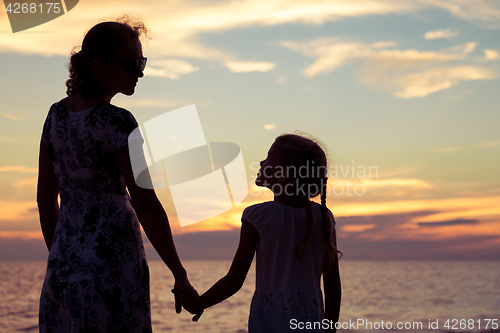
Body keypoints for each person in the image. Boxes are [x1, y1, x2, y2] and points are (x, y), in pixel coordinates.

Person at [37, 17, 198, 332]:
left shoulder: (55, 116)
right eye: (132, 63)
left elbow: (46, 199)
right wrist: (179, 274)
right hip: (113, 269)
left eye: (143, 62)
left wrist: (62, 259)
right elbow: (147, 206)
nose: (139, 72)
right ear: (99, 66)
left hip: (63, 268)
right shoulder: (120, 123)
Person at [174, 133, 342, 332]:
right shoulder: (323, 217)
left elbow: (234, 281)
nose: (262, 161)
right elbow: (333, 287)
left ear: (283, 172)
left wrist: (198, 304)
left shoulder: (258, 216)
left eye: (269, 156)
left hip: (270, 319)